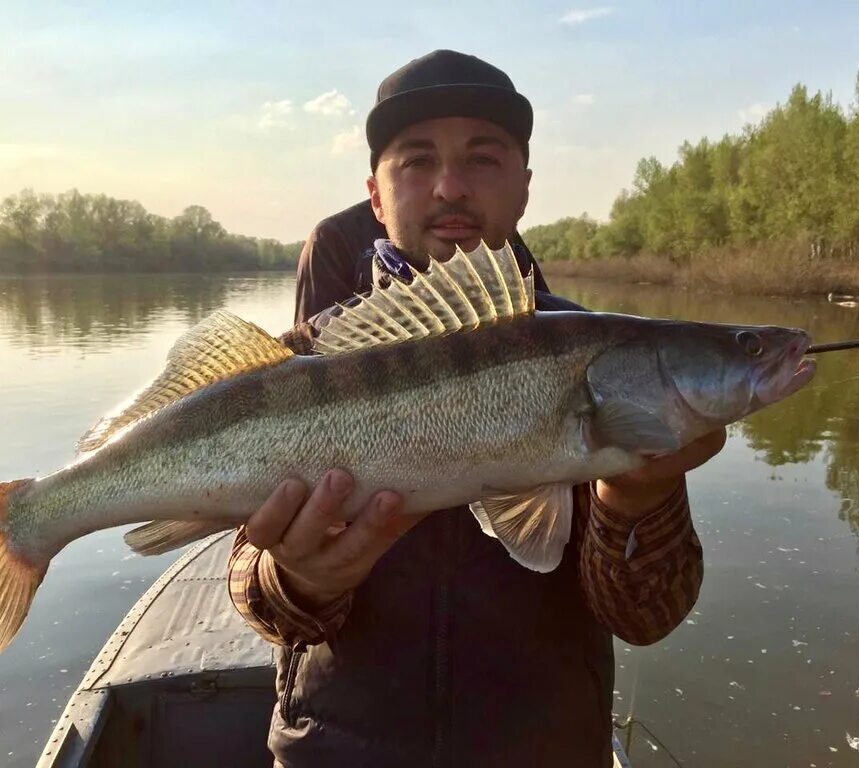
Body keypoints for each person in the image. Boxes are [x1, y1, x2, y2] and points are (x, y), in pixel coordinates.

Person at [228, 50, 725, 767]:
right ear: (375, 194)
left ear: (524, 186)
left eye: (483, 159)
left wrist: (635, 500)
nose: (449, 187)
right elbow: (253, 596)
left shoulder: (600, 359)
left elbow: (645, 617)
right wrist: (299, 580)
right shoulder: (304, 363)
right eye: (417, 161)